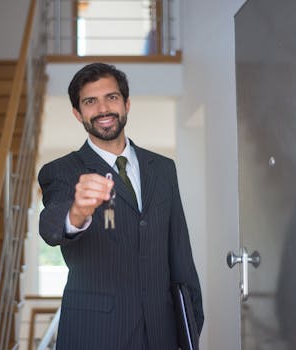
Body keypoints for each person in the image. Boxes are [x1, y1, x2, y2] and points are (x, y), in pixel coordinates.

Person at [38, 62, 204, 349]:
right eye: (90, 101)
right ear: (78, 113)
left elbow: (179, 251)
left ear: (126, 103)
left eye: (111, 97)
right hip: (95, 333)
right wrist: (76, 213)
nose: (103, 109)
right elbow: (51, 225)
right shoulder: (61, 171)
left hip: (161, 330)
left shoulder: (163, 169)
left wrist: (191, 321)